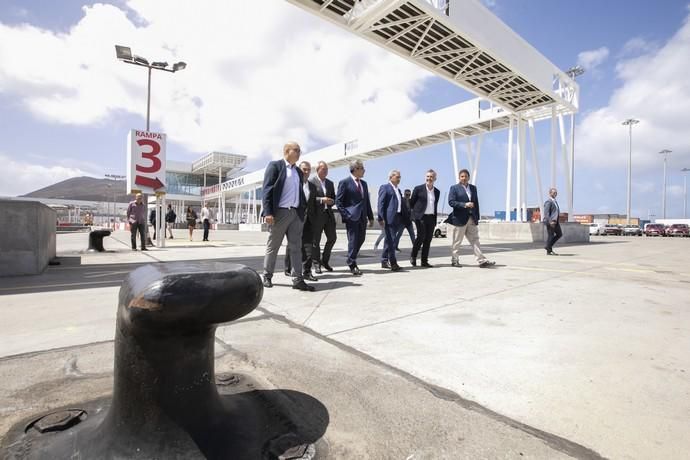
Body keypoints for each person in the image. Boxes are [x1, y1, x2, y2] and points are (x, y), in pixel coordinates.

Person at [261, 141, 314, 292]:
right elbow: (267, 190)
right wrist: (268, 212)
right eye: (296, 150)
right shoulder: (275, 166)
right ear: (287, 151)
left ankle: (297, 279)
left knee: (296, 247)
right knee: (274, 246)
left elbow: (300, 193)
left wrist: (302, 211)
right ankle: (267, 275)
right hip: (280, 213)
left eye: (299, 150)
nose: (299, 153)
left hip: (295, 214)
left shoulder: (298, 171)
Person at [446, 169, 495, 268]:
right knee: (457, 241)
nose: (464, 178)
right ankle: (454, 260)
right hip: (459, 219)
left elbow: (476, 203)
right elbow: (451, 202)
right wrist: (465, 204)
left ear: (468, 177)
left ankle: (482, 261)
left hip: (471, 218)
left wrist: (477, 217)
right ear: (459, 178)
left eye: (466, 176)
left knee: (475, 240)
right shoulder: (454, 188)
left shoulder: (473, 188)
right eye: (462, 176)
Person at [336, 159, 374, 276]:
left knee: (361, 239)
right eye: (362, 168)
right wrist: (347, 215)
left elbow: (366, 202)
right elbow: (338, 202)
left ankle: (350, 258)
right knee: (353, 241)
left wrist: (371, 217)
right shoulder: (345, 182)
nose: (364, 170)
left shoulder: (364, 184)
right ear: (356, 169)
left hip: (362, 217)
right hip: (351, 217)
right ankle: (352, 263)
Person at [285, 161, 319, 281]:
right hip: (295, 219)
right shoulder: (294, 184)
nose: (307, 172)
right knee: (293, 245)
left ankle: (307, 271)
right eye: (304, 169)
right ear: (299, 170)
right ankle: (288, 268)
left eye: (309, 170)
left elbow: (313, 203)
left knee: (309, 246)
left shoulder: (313, 187)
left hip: (309, 221)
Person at [309, 161, 337, 273]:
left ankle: (324, 261)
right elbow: (309, 199)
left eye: (327, 170)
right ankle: (316, 264)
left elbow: (334, 197)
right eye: (323, 169)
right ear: (318, 170)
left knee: (332, 238)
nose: (326, 171)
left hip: (328, 215)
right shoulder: (311, 181)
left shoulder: (330, 183)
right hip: (316, 216)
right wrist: (321, 200)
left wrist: (332, 201)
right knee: (316, 241)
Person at [410, 169, 440, 267]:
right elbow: (411, 203)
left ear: (435, 178)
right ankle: (413, 256)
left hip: (431, 218)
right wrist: (414, 216)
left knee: (428, 239)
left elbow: (434, 205)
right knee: (421, 237)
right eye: (427, 176)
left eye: (431, 177)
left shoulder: (437, 192)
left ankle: (424, 261)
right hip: (420, 217)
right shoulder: (418, 189)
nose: (429, 178)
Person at [377, 169, 406, 271]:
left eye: (400, 177)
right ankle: (393, 263)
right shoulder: (385, 188)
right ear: (391, 177)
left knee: (389, 240)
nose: (399, 179)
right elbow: (381, 204)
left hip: (397, 218)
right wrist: (380, 218)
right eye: (397, 177)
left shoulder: (397, 190)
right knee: (392, 241)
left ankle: (384, 261)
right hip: (389, 219)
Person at [543, 187, 562, 255]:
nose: (555, 194)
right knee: (551, 235)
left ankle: (548, 247)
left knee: (559, 234)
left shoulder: (555, 201)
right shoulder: (549, 202)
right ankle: (548, 249)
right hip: (551, 222)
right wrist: (550, 221)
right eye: (553, 192)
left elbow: (555, 212)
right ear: (550, 193)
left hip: (555, 221)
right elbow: (546, 213)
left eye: (556, 193)